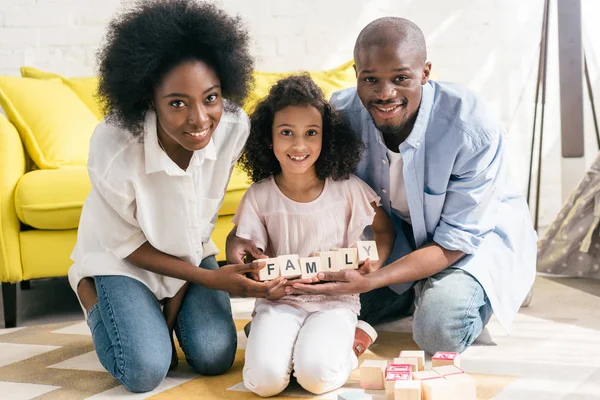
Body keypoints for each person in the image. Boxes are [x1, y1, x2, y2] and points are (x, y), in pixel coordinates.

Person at [227, 17, 537, 356]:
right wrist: (245, 243)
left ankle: (483, 288)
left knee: (438, 331)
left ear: (426, 72)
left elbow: (456, 240)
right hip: (397, 239)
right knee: (311, 303)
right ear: (357, 74)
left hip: (470, 241)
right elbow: (300, 185)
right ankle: (408, 291)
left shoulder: (471, 127)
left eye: (401, 78)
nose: (385, 93)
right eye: (370, 79)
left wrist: (373, 282)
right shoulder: (340, 116)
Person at [68, 0, 287, 393]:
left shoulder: (233, 127)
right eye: (177, 103)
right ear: (149, 98)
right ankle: (91, 291)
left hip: (188, 253)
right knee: (145, 370)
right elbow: (126, 244)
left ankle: (150, 317)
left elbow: (197, 226)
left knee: (216, 356)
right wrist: (210, 279)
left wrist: (186, 292)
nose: (200, 120)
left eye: (211, 97)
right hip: (124, 259)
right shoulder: (115, 144)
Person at [232, 74, 396, 396]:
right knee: (263, 383)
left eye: (311, 133)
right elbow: (248, 251)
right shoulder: (259, 195)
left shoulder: (346, 187)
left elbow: (383, 228)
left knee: (316, 378)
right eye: (286, 133)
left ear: (326, 138)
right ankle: (274, 340)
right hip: (281, 301)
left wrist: (373, 267)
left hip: (335, 301)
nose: (299, 145)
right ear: (269, 138)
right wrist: (259, 277)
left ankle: (354, 341)